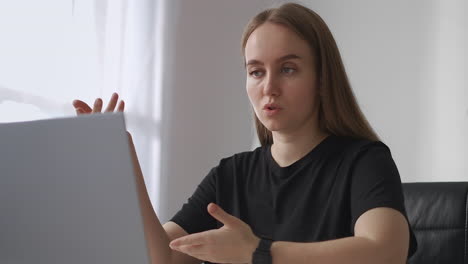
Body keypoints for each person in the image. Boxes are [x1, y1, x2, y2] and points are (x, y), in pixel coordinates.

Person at [73, 3, 417, 264]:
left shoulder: (364, 160)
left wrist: (259, 252)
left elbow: (385, 251)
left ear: (323, 80)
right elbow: (162, 256)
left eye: (288, 69)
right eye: (256, 72)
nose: (269, 87)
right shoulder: (230, 175)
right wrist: (123, 166)